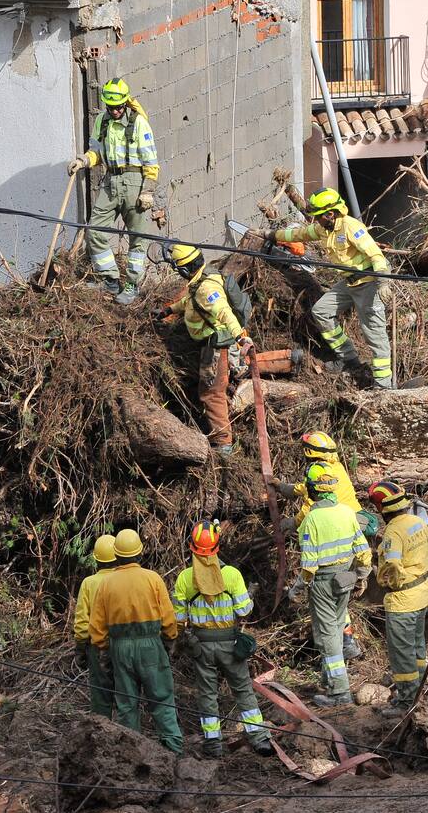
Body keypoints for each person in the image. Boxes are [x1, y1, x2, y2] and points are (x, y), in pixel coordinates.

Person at [257, 189, 394, 389]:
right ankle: (348, 358)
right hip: (349, 282)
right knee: (322, 311)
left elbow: (376, 256)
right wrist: (271, 235)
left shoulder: (351, 227)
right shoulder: (324, 229)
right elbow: (299, 233)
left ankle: (384, 385)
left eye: (318, 216)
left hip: (370, 282)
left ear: (330, 214)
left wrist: (383, 283)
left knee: (374, 333)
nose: (315, 220)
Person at [172, 520, 271, 758]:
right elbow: (245, 611)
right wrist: (249, 595)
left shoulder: (185, 578)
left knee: (207, 694)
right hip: (230, 645)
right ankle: (259, 738)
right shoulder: (232, 575)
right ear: (218, 546)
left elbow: (178, 618)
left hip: (201, 646)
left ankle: (213, 744)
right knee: (243, 690)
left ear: (192, 547)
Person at [272, 430, 367, 661]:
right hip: (353, 521)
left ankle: (344, 642)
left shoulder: (316, 469)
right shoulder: (333, 466)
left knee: (330, 582)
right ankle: (345, 639)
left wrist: (290, 523)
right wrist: (285, 488)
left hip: (338, 523)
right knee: (340, 583)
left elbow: (310, 503)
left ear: (309, 452)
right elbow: (310, 488)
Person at [88, 529, 183, 753]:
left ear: (117, 555)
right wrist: (170, 641)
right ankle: (173, 750)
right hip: (151, 645)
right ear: (140, 553)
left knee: (126, 704)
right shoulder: (153, 578)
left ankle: (132, 754)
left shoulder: (106, 584)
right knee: (161, 698)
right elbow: (168, 618)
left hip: (119, 649)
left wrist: (104, 650)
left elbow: (96, 625)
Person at [156, 244, 254, 454]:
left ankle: (223, 442)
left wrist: (240, 336)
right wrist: (169, 310)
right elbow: (189, 302)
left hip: (215, 347)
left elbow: (223, 311)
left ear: (184, 269)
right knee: (242, 367)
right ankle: (289, 359)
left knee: (211, 392)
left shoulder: (206, 289)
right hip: (218, 343)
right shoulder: (201, 281)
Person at [68, 78, 159, 305]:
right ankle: (110, 279)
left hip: (134, 182)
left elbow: (151, 160)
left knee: (137, 238)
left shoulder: (139, 123)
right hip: (110, 181)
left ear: (125, 102)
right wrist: (83, 161)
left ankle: (131, 285)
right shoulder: (102, 121)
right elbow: (96, 152)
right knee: (95, 231)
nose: (116, 111)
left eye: (119, 106)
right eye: (111, 107)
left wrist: (147, 190)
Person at [296, 463, 371, 708]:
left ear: (312, 491)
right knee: (337, 628)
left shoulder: (311, 520)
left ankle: (339, 692)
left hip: (323, 583)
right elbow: (363, 551)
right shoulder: (348, 513)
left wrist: (298, 588)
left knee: (328, 635)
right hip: (344, 580)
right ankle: (330, 681)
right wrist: (360, 576)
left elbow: (308, 565)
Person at [368, 481, 428, 718]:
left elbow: (393, 564)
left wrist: (386, 579)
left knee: (402, 653)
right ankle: (420, 691)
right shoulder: (418, 521)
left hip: (403, 600)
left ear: (382, 509)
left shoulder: (393, 532)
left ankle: (406, 701)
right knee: (417, 647)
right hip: (422, 593)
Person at [72, 534, 118, 718]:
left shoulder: (89, 583)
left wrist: (80, 649)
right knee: (126, 694)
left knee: (100, 694)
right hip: (122, 643)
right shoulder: (124, 580)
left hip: (97, 647)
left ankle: (102, 732)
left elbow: (82, 621)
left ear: (96, 559)